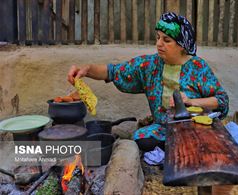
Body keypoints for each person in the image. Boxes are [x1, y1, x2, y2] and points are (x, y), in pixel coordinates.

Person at [67, 12, 229, 152]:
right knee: (141, 138)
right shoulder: (149, 65)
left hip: (194, 129)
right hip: (163, 129)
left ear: (182, 46)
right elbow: (113, 72)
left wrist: (190, 101)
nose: (159, 44)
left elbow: (221, 100)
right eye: (158, 38)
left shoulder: (198, 67)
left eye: (166, 40)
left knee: (201, 142)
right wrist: (87, 70)